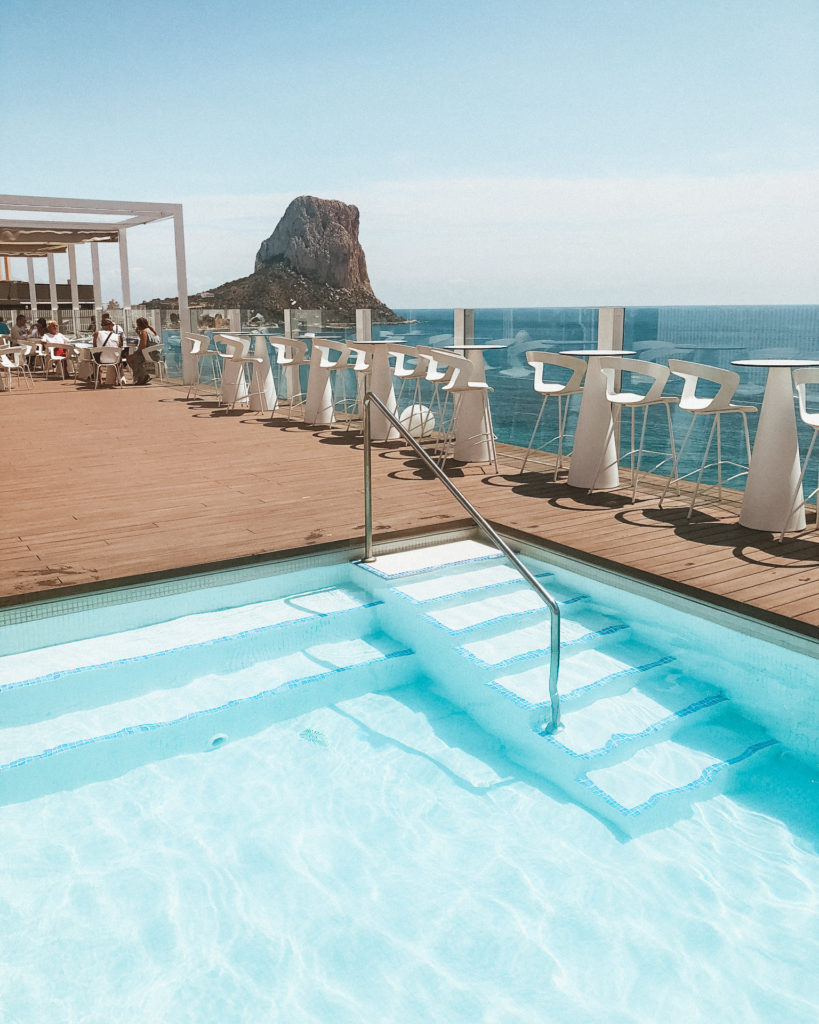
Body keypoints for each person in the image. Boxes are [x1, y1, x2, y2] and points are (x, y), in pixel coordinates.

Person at [92, 314, 124, 387]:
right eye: (112, 325)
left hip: (101, 359)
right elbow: (119, 348)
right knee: (120, 359)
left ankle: (100, 380)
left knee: (95, 359)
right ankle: (116, 380)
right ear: (109, 326)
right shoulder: (117, 336)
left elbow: (94, 347)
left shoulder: (96, 333)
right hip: (114, 359)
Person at [127, 317, 159, 386]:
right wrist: (139, 334)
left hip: (149, 354)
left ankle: (142, 376)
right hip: (156, 354)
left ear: (138, 325)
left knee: (130, 358)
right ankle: (143, 375)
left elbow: (142, 346)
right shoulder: (152, 331)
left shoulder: (144, 332)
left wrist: (136, 352)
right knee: (134, 357)